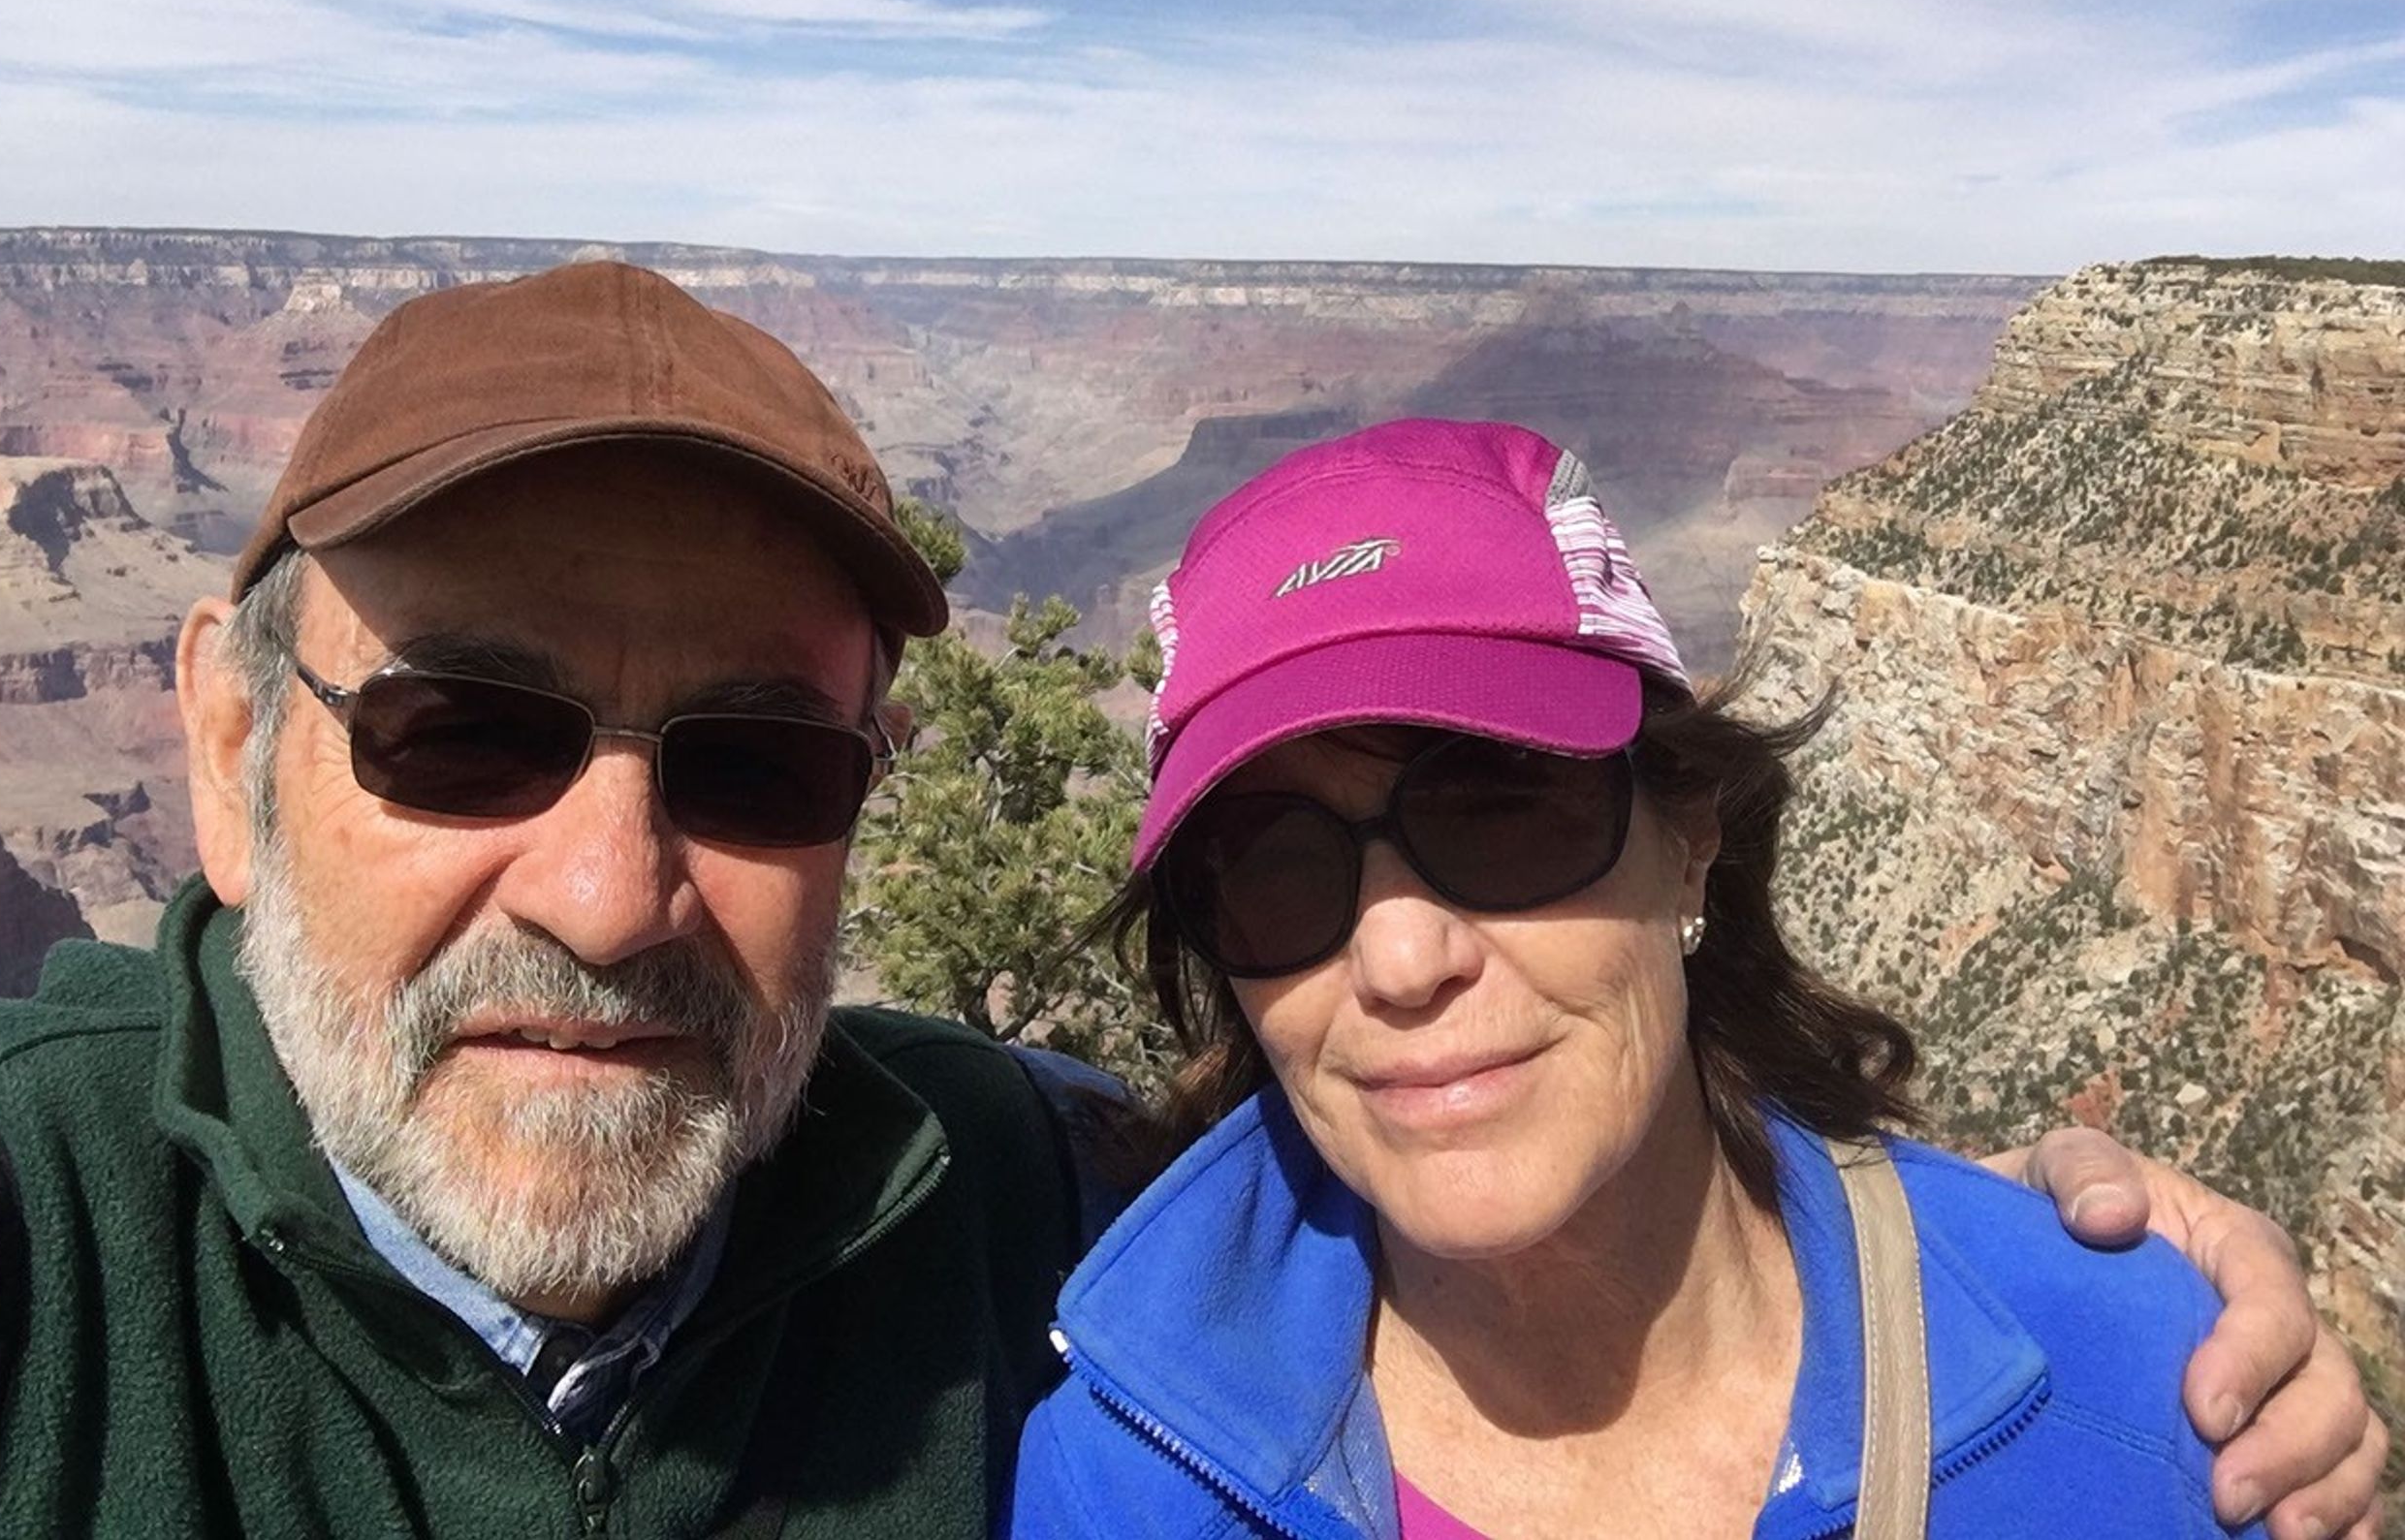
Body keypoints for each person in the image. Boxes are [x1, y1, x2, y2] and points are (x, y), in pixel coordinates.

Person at [0, 272, 2375, 1539]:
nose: (606, 879)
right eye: (467, 728)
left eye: (757, 761)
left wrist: (2096, 1267)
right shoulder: (4, 1260)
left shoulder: (1002, 1216)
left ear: (1692, 828)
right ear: (228, 757)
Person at [1011, 418, 2391, 1540]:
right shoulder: (1120, 1479)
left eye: (1500, 811)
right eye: (1275, 865)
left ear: (1689, 842)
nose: (1401, 957)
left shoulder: (2151, 1407)